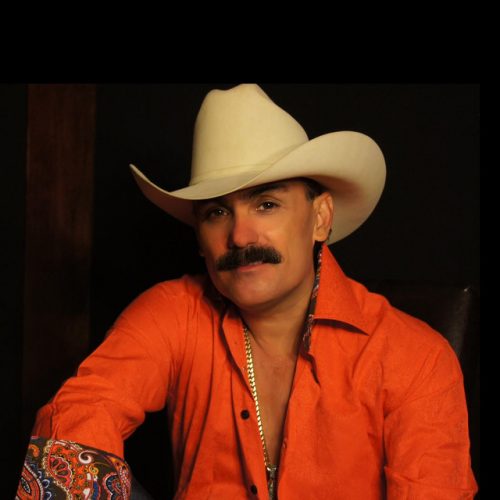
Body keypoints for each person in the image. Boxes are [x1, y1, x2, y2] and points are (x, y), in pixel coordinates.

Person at [17, 84, 477, 499]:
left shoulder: (415, 357)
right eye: (217, 213)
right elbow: (77, 416)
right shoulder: (173, 312)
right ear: (200, 238)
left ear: (320, 218)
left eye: (267, 204)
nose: (239, 236)